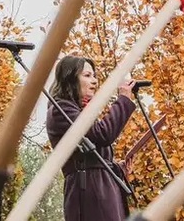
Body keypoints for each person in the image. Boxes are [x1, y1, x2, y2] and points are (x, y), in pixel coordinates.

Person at [45, 55, 137, 221]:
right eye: (87, 75)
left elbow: (94, 152)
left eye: (94, 76)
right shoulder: (61, 110)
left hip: (101, 188)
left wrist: (117, 169)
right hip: (88, 190)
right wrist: (123, 100)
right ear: (70, 79)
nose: (94, 81)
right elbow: (102, 134)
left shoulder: (80, 112)